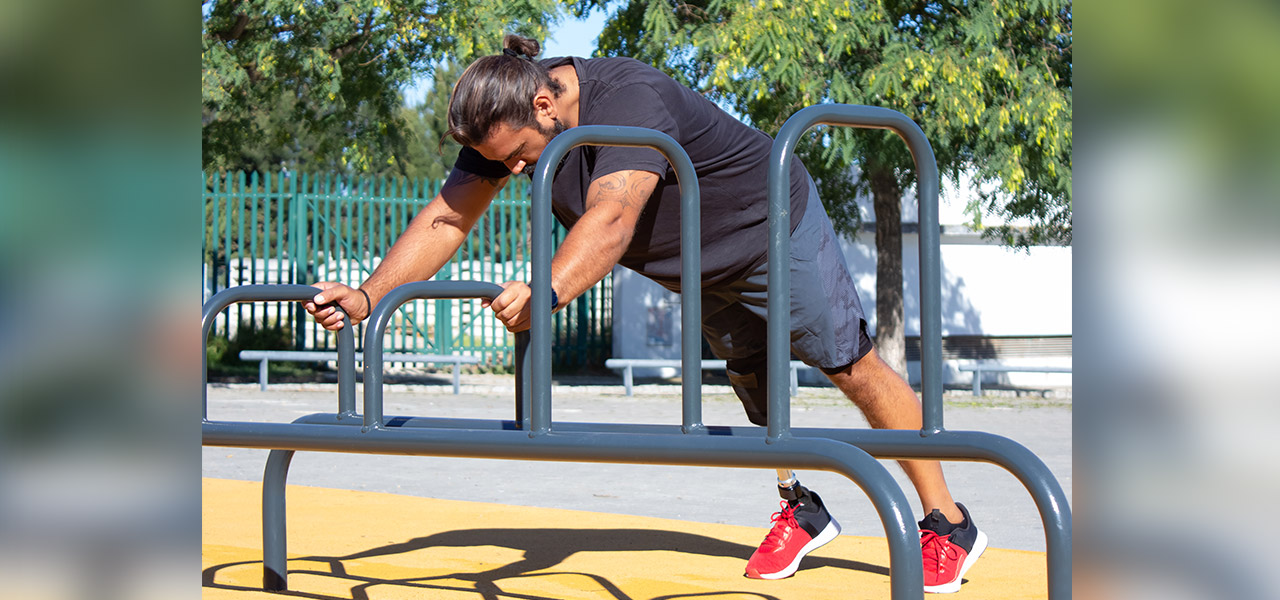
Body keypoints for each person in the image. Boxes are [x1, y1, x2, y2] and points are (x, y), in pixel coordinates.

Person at [304, 33, 987, 593]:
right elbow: (446, 218)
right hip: (702, 263)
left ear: (546, 103)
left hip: (771, 229)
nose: (511, 174)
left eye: (516, 157)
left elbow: (611, 216)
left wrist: (546, 291)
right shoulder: (509, 125)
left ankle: (948, 522)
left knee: (849, 366)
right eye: (499, 162)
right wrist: (369, 298)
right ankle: (803, 510)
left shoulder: (630, 99)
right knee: (751, 379)